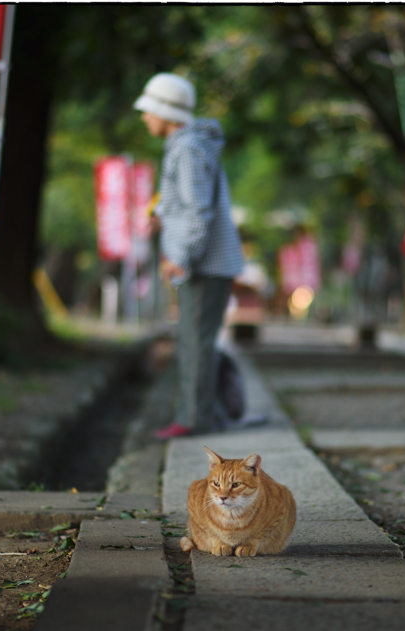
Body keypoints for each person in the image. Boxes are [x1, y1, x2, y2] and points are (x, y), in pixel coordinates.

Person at [134, 73, 244, 439]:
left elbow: (198, 209)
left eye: (149, 111)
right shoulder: (189, 144)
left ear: (167, 112)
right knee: (195, 340)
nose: (145, 117)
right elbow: (186, 200)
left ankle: (195, 419)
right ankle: (204, 413)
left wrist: (180, 255)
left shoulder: (188, 148)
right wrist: (161, 212)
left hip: (203, 263)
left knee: (194, 342)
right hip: (207, 262)